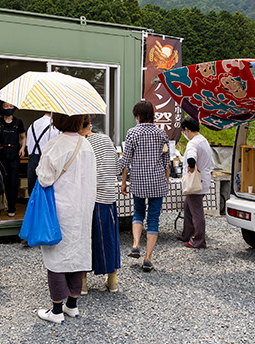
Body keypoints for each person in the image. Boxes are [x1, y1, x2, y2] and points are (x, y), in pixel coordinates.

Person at [36, 113, 96, 324]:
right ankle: (72, 305)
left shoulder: (55, 145)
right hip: (83, 208)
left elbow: (44, 180)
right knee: (77, 254)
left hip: (60, 208)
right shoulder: (86, 145)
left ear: (57, 121)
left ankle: (56, 310)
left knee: (57, 258)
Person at [120, 100, 170, 273]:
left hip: (139, 181)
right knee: (154, 218)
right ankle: (148, 258)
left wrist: (118, 176)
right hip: (157, 181)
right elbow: (166, 161)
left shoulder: (132, 133)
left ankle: (135, 244)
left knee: (139, 212)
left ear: (138, 116)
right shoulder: (161, 134)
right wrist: (166, 180)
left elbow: (125, 159)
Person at [79, 115, 120, 294]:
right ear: (90, 124)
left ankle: (82, 283)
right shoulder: (105, 139)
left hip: (86, 198)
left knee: (84, 239)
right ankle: (112, 281)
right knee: (109, 238)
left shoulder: (79, 144)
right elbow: (117, 167)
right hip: (108, 196)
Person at [178, 116, 212, 249]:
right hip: (203, 179)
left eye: (183, 131)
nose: (184, 134)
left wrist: (191, 168)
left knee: (196, 211)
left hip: (196, 182)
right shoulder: (203, 140)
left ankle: (198, 240)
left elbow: (191, 158)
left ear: (186, 129)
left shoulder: (193, 143)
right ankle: (187, 233)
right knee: (188, 207)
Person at [0, 101, 25, 217]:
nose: (9, 108)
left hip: (15, 156)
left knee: (13, 182)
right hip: (1, 156)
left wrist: (23, 148)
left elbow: (23, 136)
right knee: (1, 181)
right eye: (6, 106)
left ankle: (12, 207)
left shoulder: (18, 122)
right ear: (1, 107)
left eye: (11, 106)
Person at [26, 112, 60, 195]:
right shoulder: (54, 127)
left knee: (33, 191)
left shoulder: (32, 125)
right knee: (45, 192)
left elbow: (28, 145)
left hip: (32, 159)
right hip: (46, 161)